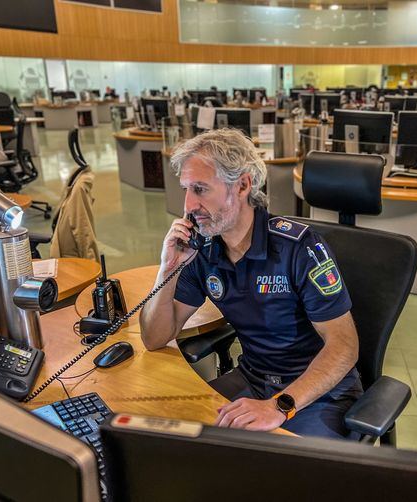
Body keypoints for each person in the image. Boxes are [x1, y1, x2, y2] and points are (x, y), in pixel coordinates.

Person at [140, 128, 362, 439]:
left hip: (317, 393)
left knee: (278, 474)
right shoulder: (202, 249)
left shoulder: (299, 249)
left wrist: (279, 405)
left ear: (243, 184)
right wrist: (168, 269)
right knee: (179, 435)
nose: (189, 205)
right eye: (186, 189)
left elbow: (345, 346)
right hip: (254, 379)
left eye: (201, 189)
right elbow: (155, 337)